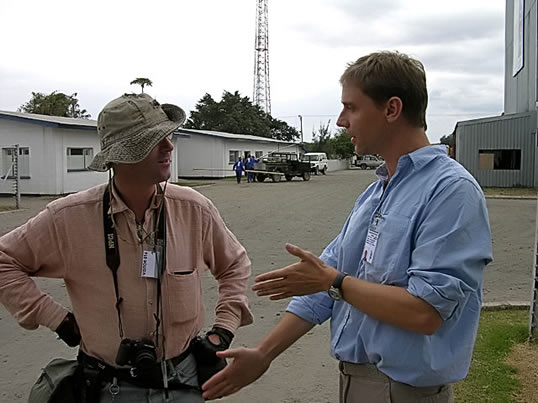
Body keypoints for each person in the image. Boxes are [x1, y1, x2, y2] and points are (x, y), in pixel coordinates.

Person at [202, 51, 493, 403]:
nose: (341, 120)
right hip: (354, 384)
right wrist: (264, 353)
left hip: (404, 392)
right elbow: (321, 285)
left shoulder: (450, 191)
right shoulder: (375, 193)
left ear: (391, 110)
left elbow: (426, 312)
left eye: (351, 107)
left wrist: (334, 282)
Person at [0, 93, 253, 402]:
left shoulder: (193, 209)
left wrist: (223, 329)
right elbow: (4, 260)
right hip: (109, 386)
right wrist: (55, 318)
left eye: (167, 136)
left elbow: (235, 265)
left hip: (184, 380)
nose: (169, 147)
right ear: (120, 155)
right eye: (154, 140)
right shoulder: (68, 218)